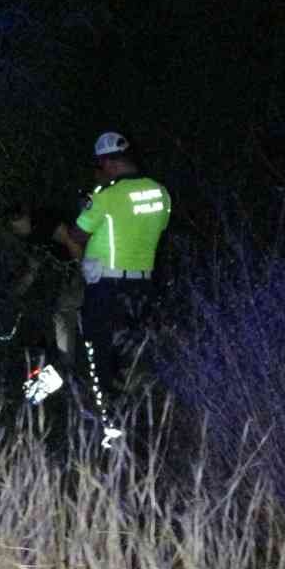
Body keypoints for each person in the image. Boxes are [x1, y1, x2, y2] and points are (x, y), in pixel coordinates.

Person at [63, 131, 171, 446]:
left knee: (101, 359)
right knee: (135, 357)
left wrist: (86, 209)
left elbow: (77, 235)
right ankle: (144, 427)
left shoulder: (105, 197)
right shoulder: (160, 192)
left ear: (107, 162)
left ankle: (113, 431)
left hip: (107, 290)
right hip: (144, 288)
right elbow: (156, 228)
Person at [1, 201, 84, 378]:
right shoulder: (27, 240)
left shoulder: (45, 222)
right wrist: (17, 293)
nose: (17, 227)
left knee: (65, 309)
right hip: (61, 278)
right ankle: (64, 363)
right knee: (56, 312)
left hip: (84, 268)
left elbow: (72, 242)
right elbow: (32, 269)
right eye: (12, 224)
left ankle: (70, 364)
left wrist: (83, 273)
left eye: (19, 220)